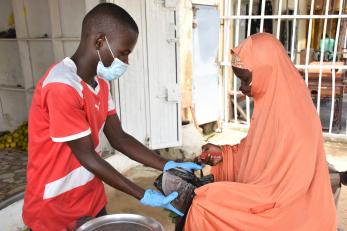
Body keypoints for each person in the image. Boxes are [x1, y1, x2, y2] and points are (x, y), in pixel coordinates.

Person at [22, 3, 201, 230]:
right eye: (123, 52)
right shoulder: (62, 86)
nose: (125, 62)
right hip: (54, 206)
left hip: (90, 197)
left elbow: (119, 138)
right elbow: (87, 155)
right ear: (99, 42)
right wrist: (141, 194)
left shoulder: (101, 84)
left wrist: (167, 165)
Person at [184, 33, 337, 230]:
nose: (242, 88)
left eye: (246, 80)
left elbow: (286, 193)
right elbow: (256, 151)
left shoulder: (294, 117)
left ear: (267, 71)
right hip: (269, 197)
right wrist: (223, 154)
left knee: (204, 206)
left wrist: (222, 194)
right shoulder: (272, 103)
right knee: (207, 199)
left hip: (291, 210)